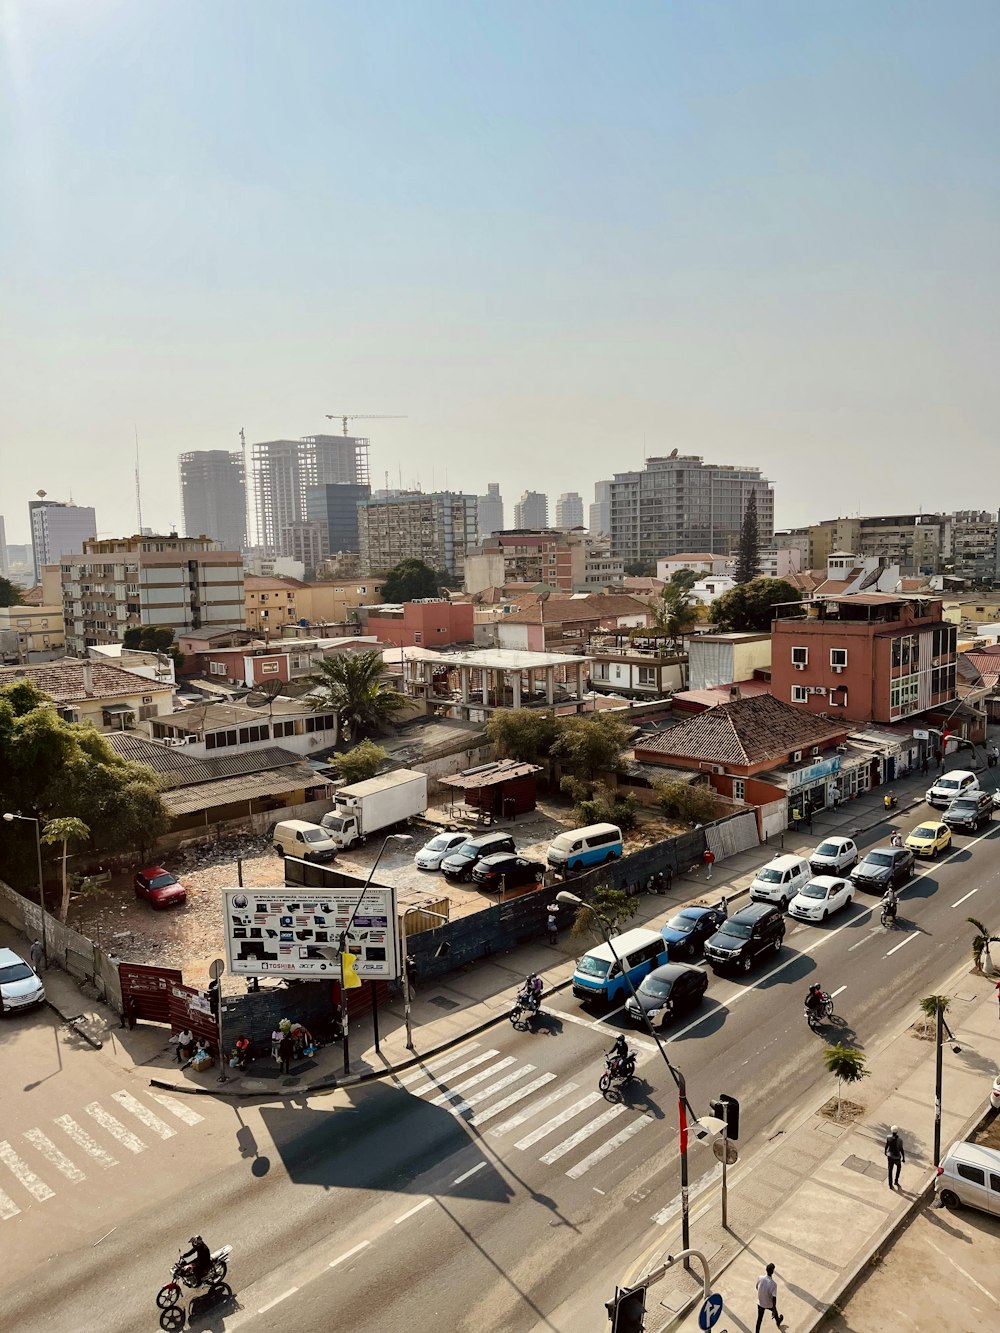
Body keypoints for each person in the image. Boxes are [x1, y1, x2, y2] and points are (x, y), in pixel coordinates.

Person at [754, 1263, 783, 1330]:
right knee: (775, 1310)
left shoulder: (760, 1278)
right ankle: (778, 1321)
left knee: (759, 1319)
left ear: (766, 1269)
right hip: (768, 1304)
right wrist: (774, 1310)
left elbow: (756, 1287)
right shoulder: (773, 1284)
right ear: (772, 1272)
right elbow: (774, 1298)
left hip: (760, 1302)